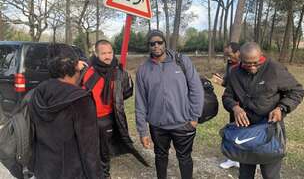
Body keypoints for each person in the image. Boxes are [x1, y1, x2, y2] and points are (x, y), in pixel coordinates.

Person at [222, 42, 304, 179]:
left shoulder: (274, 69)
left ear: (261, 56)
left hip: (270, 129)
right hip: (245, 131)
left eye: (256, 63)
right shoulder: (235, 72)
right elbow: (227, 96)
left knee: (270, 175)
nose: (253, 67)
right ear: (240, 58)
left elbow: (297, 91)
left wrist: (281, 108)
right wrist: (235, 108)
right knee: (245, 174)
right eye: (248, 64)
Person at [135, 30, 204, 179]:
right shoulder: (143, 70)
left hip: (183, 123)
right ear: (148, 46)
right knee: (160, 156)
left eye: (159, 42)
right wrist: (143, 131)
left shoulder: (181, 61)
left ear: (165, 43)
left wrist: (194, 117)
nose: (156, 46)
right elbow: (140, 101)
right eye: (152, 43)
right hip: (157, 125)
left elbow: (196, 89)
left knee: (184, 157)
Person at [29, 44, 101, 179]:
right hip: (72, 173)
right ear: (75, 67)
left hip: (43, 169)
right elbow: (90, 151)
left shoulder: (38, 92)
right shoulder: (81, 100)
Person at [82, 40, 146, 179]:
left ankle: (105, 176)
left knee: (105, 152)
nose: (107, 56)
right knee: (89, 151)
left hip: (107, 119)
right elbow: (80, 93)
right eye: (103, 53)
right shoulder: (88, 71)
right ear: (97, 54)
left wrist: (125, 79)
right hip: (88, 119)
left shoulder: (118, 72)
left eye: (110, 52)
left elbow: (127, 93)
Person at [212, 42, 241, 169]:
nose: (228, 57)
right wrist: (221, 81)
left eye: (230, 54)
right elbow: (229, 84)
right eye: (226, 55)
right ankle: (232, 159)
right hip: (233, 104)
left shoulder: (246, 64)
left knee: (245, 131)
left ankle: (245, 158)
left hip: (246, 104)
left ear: (238, 53)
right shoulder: (230, 64)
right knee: (234, 129)